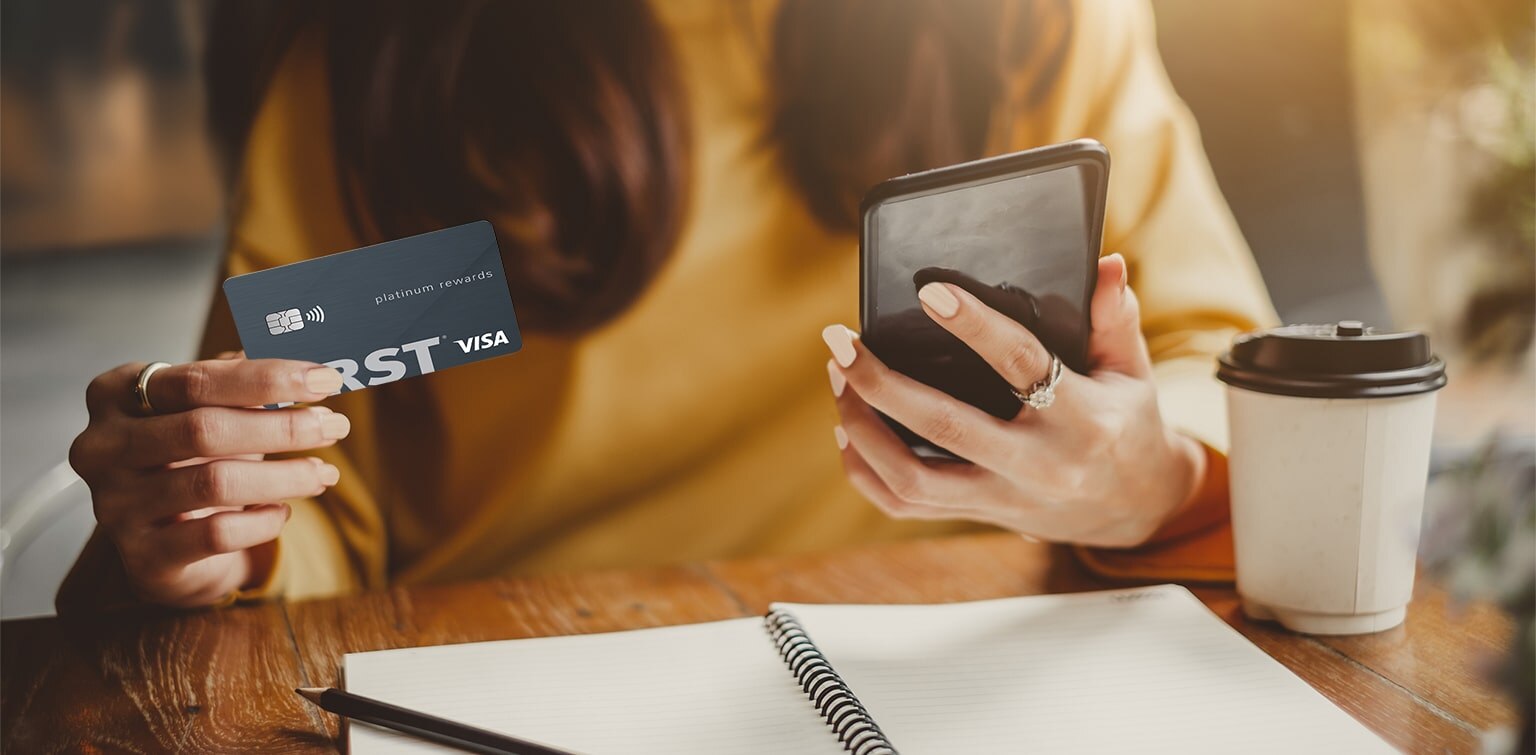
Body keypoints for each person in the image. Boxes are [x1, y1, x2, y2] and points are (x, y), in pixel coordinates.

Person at [60, 0, 1275, 612]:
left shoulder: (1032, 25)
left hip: (991, 667)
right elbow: (324, 498)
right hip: (505, 678)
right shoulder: (391, 80)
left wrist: (1150, 477)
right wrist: (229, 531)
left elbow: (1217, 363)